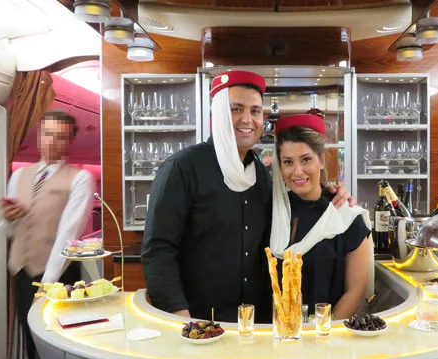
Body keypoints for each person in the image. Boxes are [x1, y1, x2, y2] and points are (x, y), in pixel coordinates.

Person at [142, 71, 353, 322]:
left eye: (255, 111)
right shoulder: (182, 168)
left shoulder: (261, 177)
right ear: (219, 114)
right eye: (236, 109)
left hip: (255, 323)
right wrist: (181, 318)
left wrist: (333, 194)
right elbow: (158, 250)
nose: (247, 119)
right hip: (199, 321)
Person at [0, 109, 95, 359]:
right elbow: (9, 231)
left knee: (56, 346)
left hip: (58, 275)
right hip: (21, 272)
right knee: (31, 342)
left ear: (70, 141)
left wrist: (47, 285)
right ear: (39, 136)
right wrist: (8, 219)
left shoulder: (80, 178)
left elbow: (68, 235)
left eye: (60, 137)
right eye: (48, 134)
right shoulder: (19, 175)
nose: (52, 141)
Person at [270, 114, 373, 319]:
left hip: (326, 331)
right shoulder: (271, 211)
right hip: (274, 330)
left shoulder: (346, 217)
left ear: (322, 160)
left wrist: (324, 331)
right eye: (288, 162)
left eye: (306, 159)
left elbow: (355, 291)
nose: (297, 172)